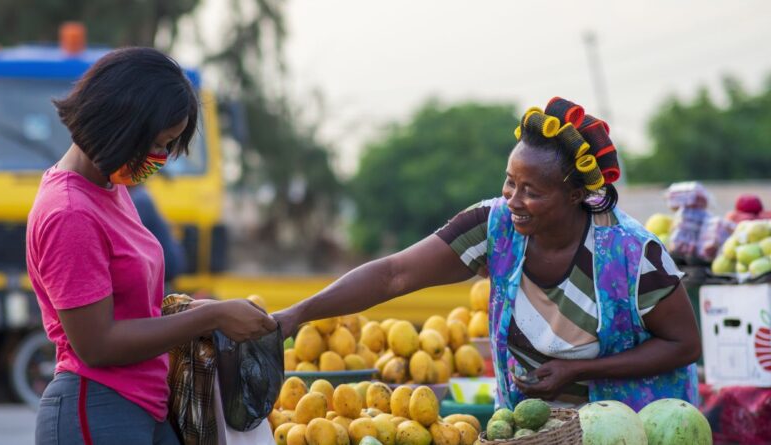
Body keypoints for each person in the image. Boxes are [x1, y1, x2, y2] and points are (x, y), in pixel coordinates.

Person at [274, 98, 701, 411]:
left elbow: (684, 344)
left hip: (631, 428)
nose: (514, 199)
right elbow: (394, 275)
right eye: (510, 182)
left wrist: (579, 371)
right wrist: (296, 315)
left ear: (575, 194)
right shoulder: (495, 227)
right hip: (535, 430)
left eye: (531, 191)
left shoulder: (631, 253)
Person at [26, 47, 277, 444]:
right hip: (98, 409)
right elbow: (97, 345)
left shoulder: (109, 187)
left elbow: (131, 306)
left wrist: (195, 309)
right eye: (158, 143)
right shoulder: (70, 212)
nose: (160, 158)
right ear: (119, 123)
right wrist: (210, 319)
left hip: (144, 403)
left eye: (170, 145)